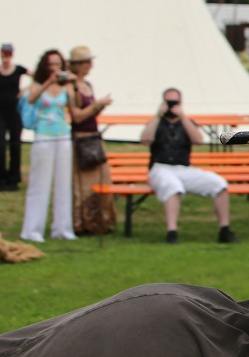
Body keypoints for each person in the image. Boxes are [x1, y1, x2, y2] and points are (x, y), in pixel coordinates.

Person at [139, 88, 237, 244]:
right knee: (173, 187)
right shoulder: (156, 122)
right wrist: (158, 116)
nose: (171, 106)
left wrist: (183, 117)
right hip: (160, 167)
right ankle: (172, 232)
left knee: (219, 184)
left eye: (174, 102)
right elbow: (145, 140)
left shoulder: (186, 122)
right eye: (168, 102)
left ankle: (225, 229)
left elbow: (198, 140)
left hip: (184, 168)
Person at [21, 49, 75, 242]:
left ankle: (62, 228)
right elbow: (31, 99)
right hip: (44, 135)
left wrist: (72, 82)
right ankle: (32, 229)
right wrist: (48, 83)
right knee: (39, 183)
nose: (55, 68)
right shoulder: (38, 84)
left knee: (63, 183)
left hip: (63, 136)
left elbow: (73, 106)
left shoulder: (66, 86)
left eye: (58, 64)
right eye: (51, 64)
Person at [67, 45, 115, 234]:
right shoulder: (72, 87)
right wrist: (96, 106)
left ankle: (99, 220)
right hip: (81, 138)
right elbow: (77, 116)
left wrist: (100, 107)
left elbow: (90, 114)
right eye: (87, 62)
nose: (91, 66)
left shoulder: (88, 85)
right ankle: (82, 223)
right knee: (84, 185)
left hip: (94, 136)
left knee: (102, 179)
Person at [0, 43, 28, 190]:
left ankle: (14, 178)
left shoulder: (18, 69)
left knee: (15, 144)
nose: (6, 58)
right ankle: (1, 178)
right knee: (1, 145)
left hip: (15, 112)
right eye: (4, 54)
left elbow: (38, 77)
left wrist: (25, 91)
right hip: (0, 113)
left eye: (8, 55)